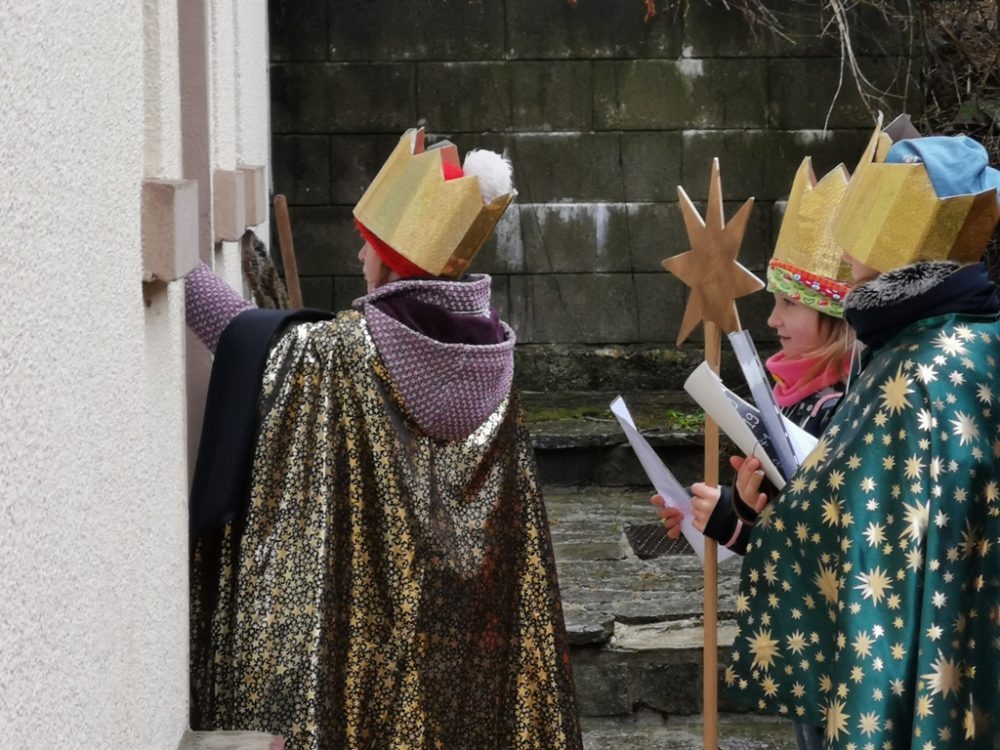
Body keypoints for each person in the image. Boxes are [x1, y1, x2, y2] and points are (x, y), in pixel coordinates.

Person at [186, 128, 582, 750]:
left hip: (369, 636)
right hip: (464, 629)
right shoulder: (498, 366)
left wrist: (180, 267)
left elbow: (251, 344)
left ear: (394, 258)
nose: (358, 258)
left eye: (366, 246)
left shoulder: (346, 352)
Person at [725, 115, 1000, 749]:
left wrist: (749, 524)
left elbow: (863, 527)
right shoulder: (970, 344)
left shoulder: (917, 366)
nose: (844, 253)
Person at [651, 156, 855, 750]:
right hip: (808, 642)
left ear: (831, 316)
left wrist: (730, 523)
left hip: (839, 646)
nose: (772, 319)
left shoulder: (841, 408)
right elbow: (777, 531)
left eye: (789, 304)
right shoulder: (795, 403)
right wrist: (725, 514)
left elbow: (822, 550)